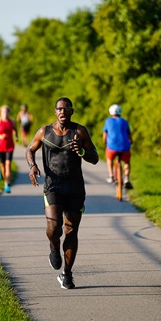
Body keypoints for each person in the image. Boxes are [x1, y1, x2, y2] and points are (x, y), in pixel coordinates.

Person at [26, 97, 99, 289]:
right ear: (55, 111)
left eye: (66, 109)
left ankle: (67, 273)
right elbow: (30, 149)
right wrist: (32, 166)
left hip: (75, 188)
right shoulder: (45, 131)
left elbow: (95, 158)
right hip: (53, 186)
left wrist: (82, 151)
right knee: (54, 227)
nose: (63, 112)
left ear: (71, 111)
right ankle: (53, 246)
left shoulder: (80, 131)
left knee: (71, 231)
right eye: (59, 109)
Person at [103, 104, 133, 189]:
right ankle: (127, 178)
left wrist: (105, 143)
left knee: (109, 159)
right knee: (127, 162)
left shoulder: (108, 121)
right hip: (125, 147)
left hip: (112, 147)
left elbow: (105, 135)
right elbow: (129, 134)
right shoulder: (124, 121)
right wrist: (131, 141)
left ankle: (111, 175)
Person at [0, 105, 18, 193]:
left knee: (8, 165)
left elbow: (15, 130)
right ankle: (5, 181)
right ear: (1, 113)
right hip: (0, 147)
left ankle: (8, 184)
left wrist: (16, 136)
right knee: (3, 167)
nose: (5, 113)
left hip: (10, 146)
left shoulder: (12, 122)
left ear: (9, 113)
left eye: (6, 111)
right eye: (3, 112)